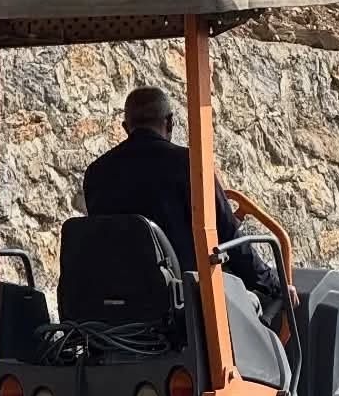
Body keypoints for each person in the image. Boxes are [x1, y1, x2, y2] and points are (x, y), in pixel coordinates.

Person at [81, 86, 282, 310]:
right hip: (183, 303)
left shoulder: (96, 173)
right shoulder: (190, 165)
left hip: (119, 304)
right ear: (170, 122)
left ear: (126, 128)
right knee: (254, 303)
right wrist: (274, 284)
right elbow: (228, 238)